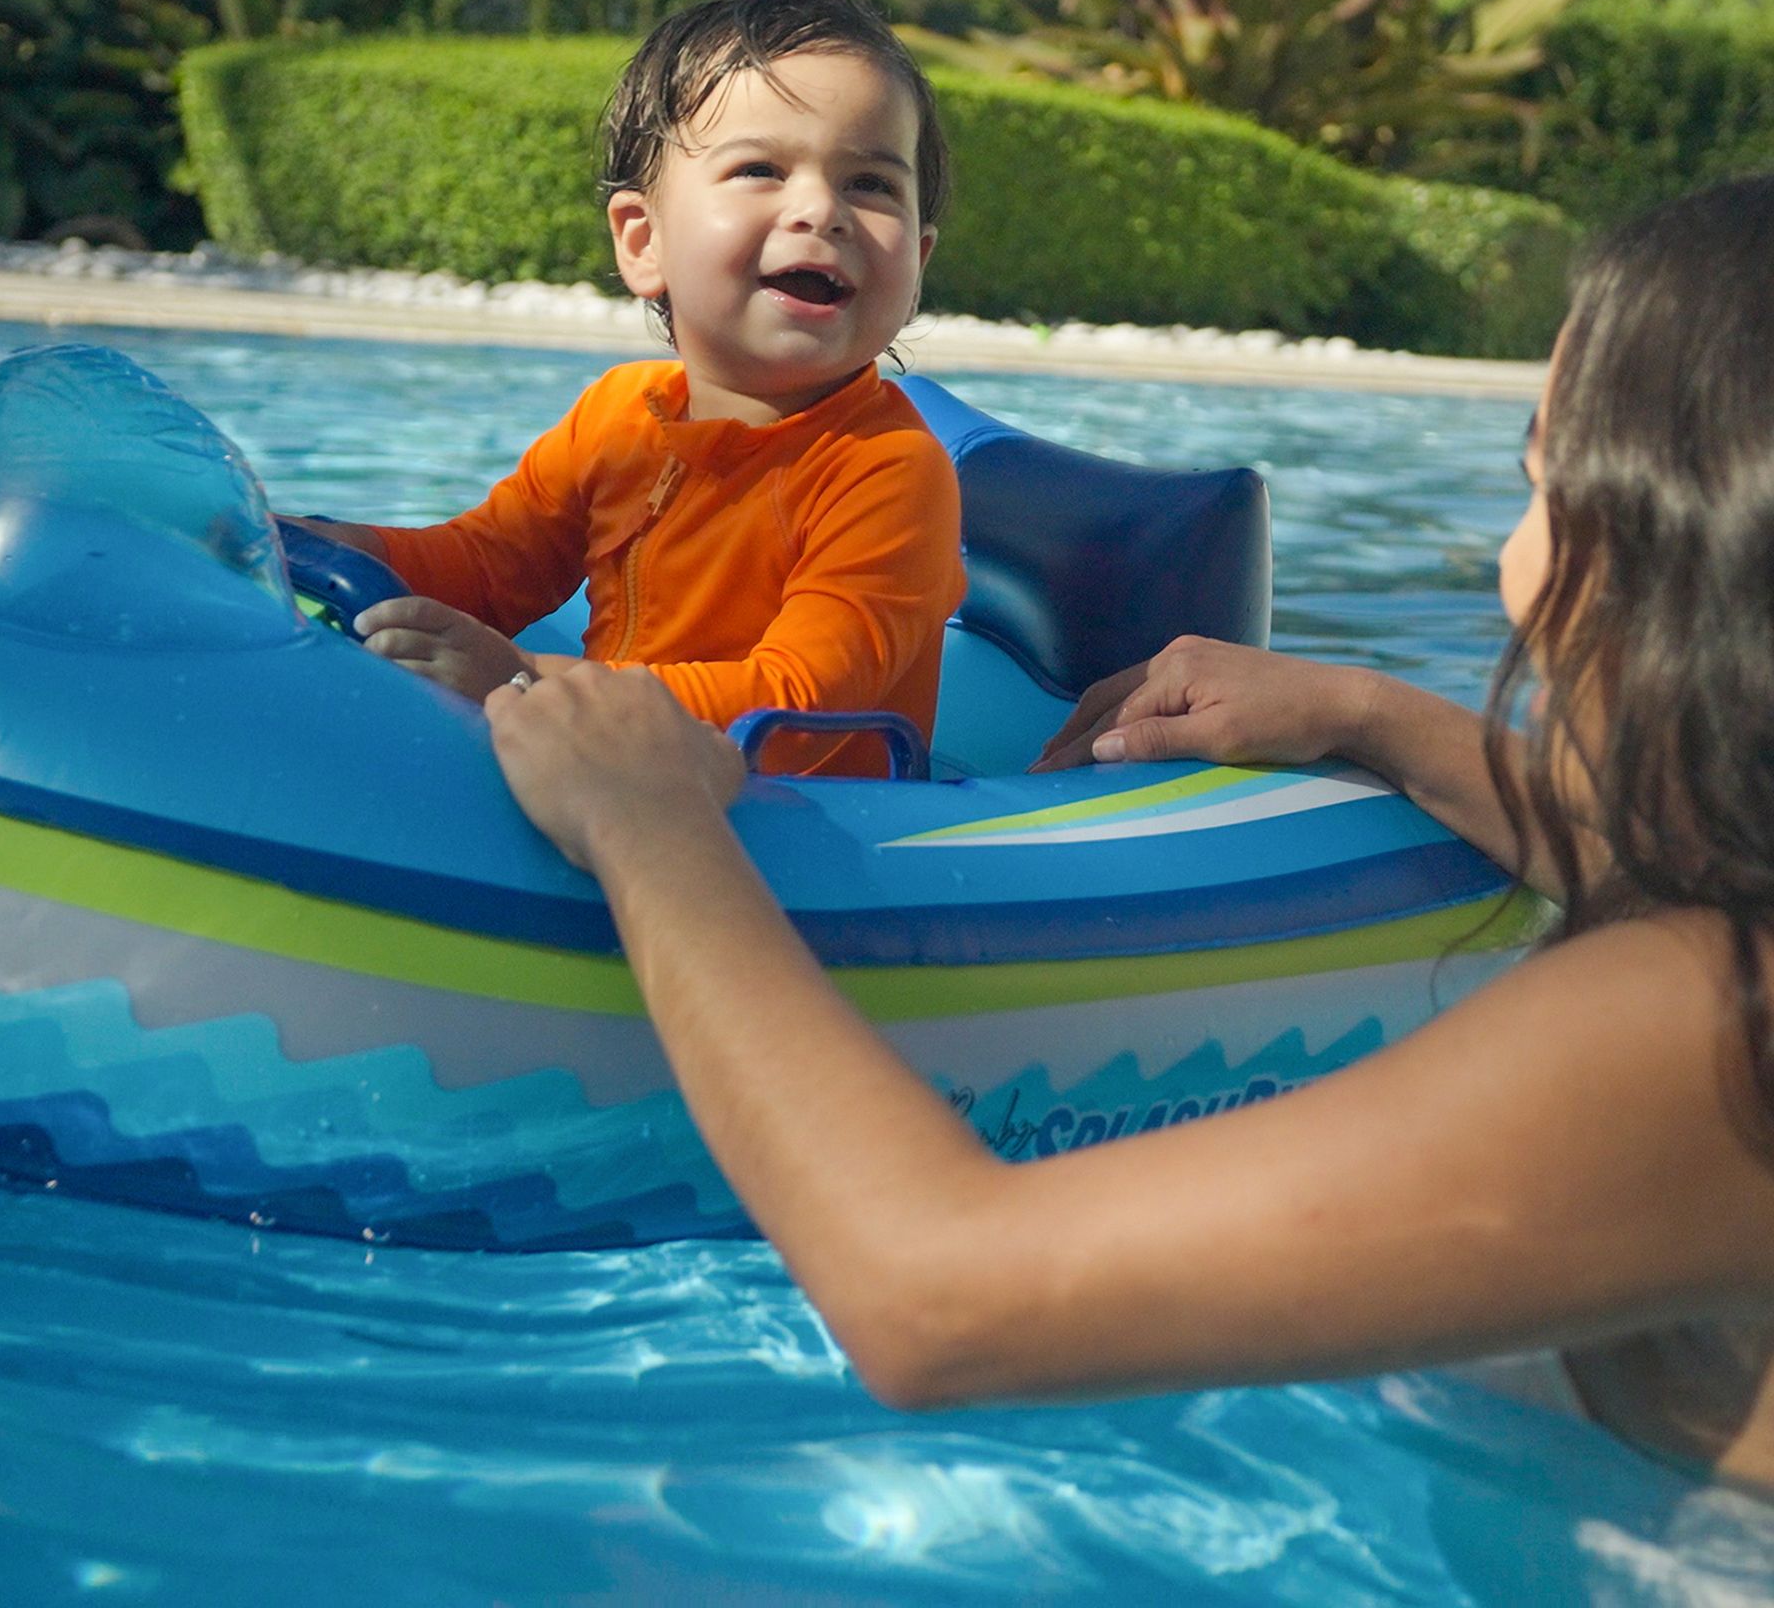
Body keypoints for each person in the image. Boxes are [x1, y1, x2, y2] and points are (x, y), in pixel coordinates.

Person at [479, 176, 1774, 1492]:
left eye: (1545, 487)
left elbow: (938, 1298)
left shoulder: (1697, 1031)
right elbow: (1659, 846)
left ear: (1666, 553)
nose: (1518, 563)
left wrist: (656, 836)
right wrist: (1365, 712)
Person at [302, 0, 964, 776]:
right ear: (642, 241)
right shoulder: (620, 419)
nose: (821, 210)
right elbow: (480, 568)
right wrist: (313, 543)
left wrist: (521, 683)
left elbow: (796, 706)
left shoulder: (887, 472)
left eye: (871, 184)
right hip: (626, 767)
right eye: (760, 168)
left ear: (917, 261)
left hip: (804, 832)